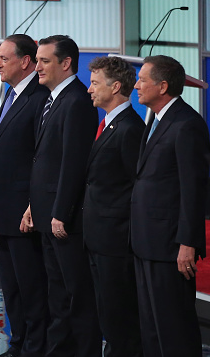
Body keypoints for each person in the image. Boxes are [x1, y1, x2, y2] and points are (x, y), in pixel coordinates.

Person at [21, 35, 101, 356]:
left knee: (76, 295)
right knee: (58, 294)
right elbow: (45, 160)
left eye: (43, 61)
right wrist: (33, 206)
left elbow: (73, 164)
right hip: (47, 213)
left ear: (65, 63)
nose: (36, 66)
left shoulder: (77, 101)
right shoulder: (53, 99)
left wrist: (61, 212)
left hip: (63, 220)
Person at [132, 55, 209, 356]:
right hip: (145, 242)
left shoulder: (187, 124)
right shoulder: (155, 119)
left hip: (169, 247)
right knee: (151, 327)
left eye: (142, 80)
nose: (136, 85)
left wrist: (187, 243)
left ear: (162, 86)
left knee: (173, 328)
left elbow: (193, 189)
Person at [0, 34, 50, 357]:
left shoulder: (38, 99)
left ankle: (36, 347)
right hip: (2, 211)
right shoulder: (9, 95)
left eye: (4, 58)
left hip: (24, 212)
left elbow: (40, 157)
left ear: (25, 61)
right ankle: (18, 342)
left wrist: (32, 206)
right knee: (10, 287)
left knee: (31, 286)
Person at [83, 56, 143, 357]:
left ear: (115, 86)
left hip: (116, 240)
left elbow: (137, 189)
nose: (90, 89)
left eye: (95, 83)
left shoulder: (130, 128)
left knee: (120, 317)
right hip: (98, 237)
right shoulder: (108, 124)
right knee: (107, 312)